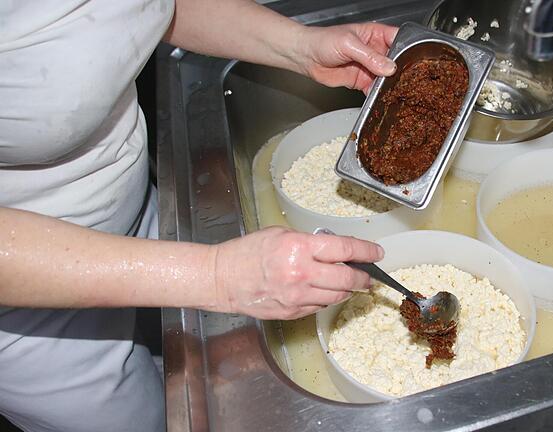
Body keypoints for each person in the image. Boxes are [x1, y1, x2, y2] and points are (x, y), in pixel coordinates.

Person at [0, 1, 398, 430]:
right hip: (29, 299)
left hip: (134, 213)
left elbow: (148, 9)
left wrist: (299, 47)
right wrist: (216, 276)